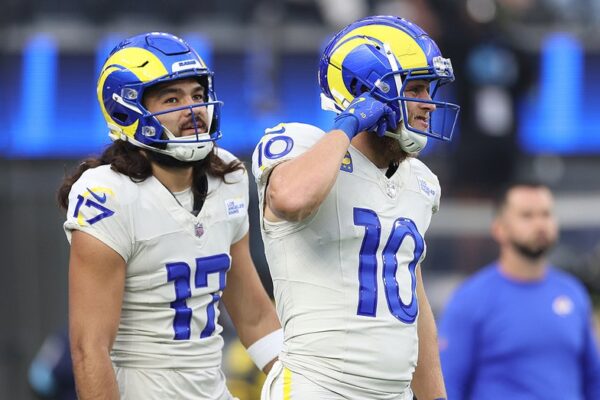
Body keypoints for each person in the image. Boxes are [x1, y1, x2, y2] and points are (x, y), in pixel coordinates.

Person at [57, 32, 282, 400]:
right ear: (128, 110)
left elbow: (254, 315)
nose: (193, 109)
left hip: (214, 389)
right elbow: (89, 348)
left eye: (198, 95)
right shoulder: (108, 195)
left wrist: (297, 383)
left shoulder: (227, 176)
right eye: (172, 99)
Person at [251, 16, 460, 400]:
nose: (429, 104)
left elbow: (414, 303)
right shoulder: (300, 145)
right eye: (415, 88)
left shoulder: (421, 181)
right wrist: (348, 124)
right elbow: (293, 200)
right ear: (368, 90)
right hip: (317, 387)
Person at [438, 181, 600, 399]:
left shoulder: (573, 294)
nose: (540, 224)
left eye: (546, 214)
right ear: (499, 229)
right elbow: (447, 385)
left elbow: (593, 380)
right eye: (527, 216)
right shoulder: (470, 299)